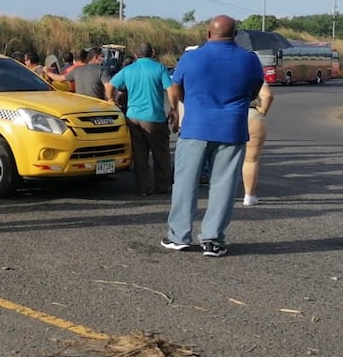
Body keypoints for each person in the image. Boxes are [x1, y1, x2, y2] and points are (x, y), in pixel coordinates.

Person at [161, 15, 264, 258]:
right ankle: (213, 240)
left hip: (195, 127)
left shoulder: (192, 57)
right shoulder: (249, 60)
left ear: (208, 34)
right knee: (224, 185)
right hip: (231, 128)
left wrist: (183, 106)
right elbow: (254, 91)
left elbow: (177, 87)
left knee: (186, 183)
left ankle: (179, 236)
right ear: (235, 34)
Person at [104, 43, 173, 196]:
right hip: (154, 117)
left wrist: (110, 100)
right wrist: (173, 108)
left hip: (133, 117)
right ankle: (162, 186)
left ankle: (143, 188)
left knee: (140, 153)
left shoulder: (128, 70)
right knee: (160, 153)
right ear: (153, 53)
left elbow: (110, 85)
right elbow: (171, 90)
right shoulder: (160, 68)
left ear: (135, 55)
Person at [243, 83, 274, 206]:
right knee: (250, 160)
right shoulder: (253, 73)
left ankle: (221, 195)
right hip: (250, 113)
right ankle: (249, 195)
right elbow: (267, 95)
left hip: (225, 115)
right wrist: (262, 111)